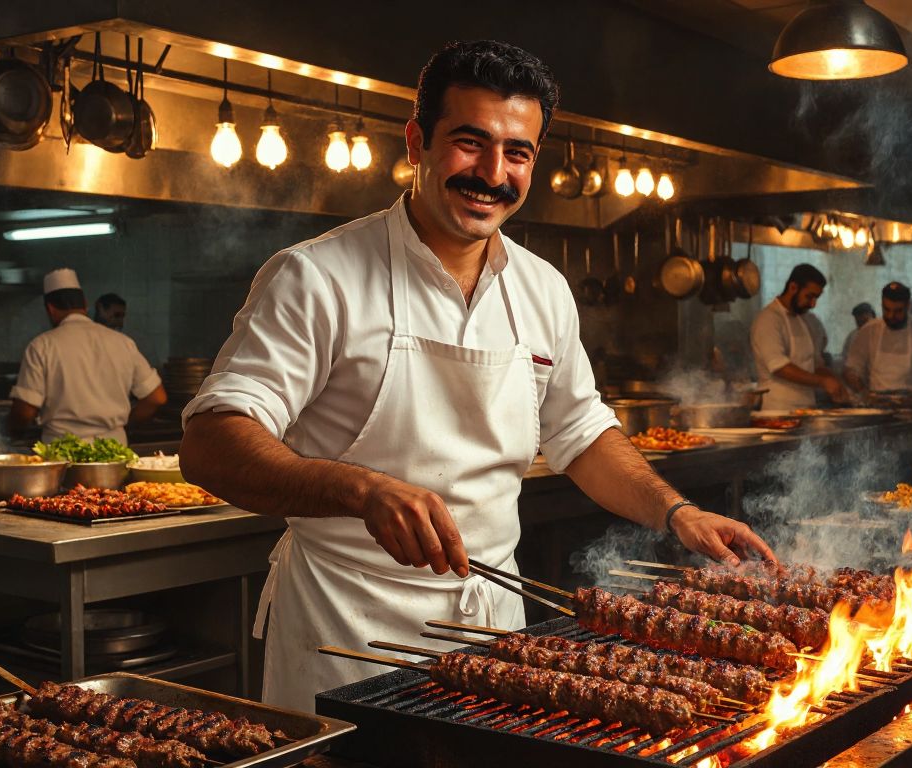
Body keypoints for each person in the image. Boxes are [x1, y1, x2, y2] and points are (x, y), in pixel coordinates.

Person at [176, 41, 775, 711]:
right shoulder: (318, 276)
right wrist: (360, 489)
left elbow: (578, 431)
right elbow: (210, 441)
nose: (493, 173)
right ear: (417, 142)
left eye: (516, 153)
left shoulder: (543, 288)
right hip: (346, 625)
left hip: (492, 623)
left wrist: (677, 512)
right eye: (470, 143)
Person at [9, 269, 167, 443]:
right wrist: (122, 425)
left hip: (62, 454)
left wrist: (12, 433)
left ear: (50, 309)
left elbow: (24, 412)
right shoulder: (123, 342)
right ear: (84, 305)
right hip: (113, 452)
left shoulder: (42, 346)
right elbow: (156, 398)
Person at [751, 264, 845, 410]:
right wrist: (822, 381)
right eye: (809, 296)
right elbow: (779, 367)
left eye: (816, 298)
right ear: (793, 287)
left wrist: (835, 382)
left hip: (807, 408)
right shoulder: (768, 319)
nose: (813, 304)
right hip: (778, 410)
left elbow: (815, 364)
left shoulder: (807, 320)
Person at [842, 282, 912, 395]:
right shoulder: (868, 331)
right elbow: (851, 369)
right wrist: (864, 393)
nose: (891, 316)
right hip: (875, 401)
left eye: (898, 311)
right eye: (886, 310)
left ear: (908, 306)